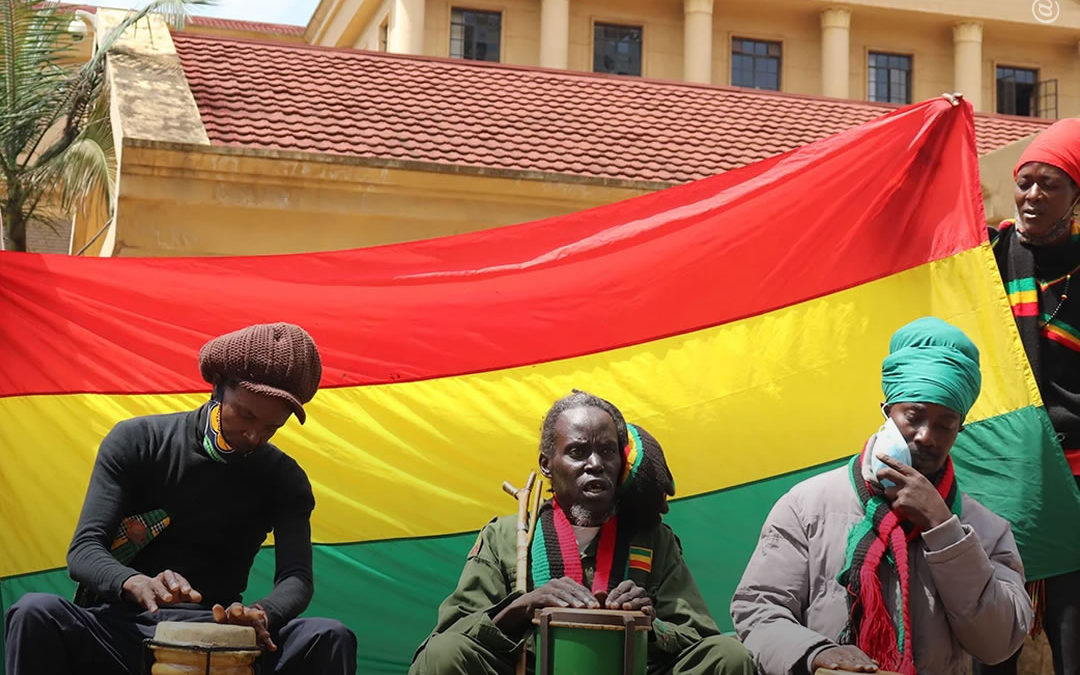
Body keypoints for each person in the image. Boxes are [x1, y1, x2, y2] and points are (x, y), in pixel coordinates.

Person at [4, 322, 357, 674]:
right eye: (246, 415)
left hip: (225, 638)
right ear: (217, 386)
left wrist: (260, 614)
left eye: (271, 427)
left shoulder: (285, 478)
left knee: (329, 636)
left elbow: (296, 578)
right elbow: (83, 551)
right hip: (125, 628)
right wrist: (135, 582)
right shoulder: (137, 440)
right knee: (35, 612)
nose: (254, 434)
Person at [731, 317, 1032, 674]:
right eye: (914, 416)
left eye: (945, 424)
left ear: (960, 428)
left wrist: (943, 528)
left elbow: (997, 643)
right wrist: (815, 653)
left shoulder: (984, 530)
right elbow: (758, 608)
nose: (925, 436)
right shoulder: (807, 506)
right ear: (887, 411)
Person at [409, 391, 753, 675]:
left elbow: (698, 637)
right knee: (443, 655)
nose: (595, 463)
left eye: (607, 451)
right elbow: (452, 633)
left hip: (632, 670)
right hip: (527, 668)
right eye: (577, 451)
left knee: (729, 656)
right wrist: (521, 608)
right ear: (547, 464)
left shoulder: (653, 539)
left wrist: (651, 625)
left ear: (621, 462)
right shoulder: (506, 535)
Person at [978, 117, 1080, 675]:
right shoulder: (988, 256)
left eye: (1051, 183)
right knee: (997, 621)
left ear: (1077, 195)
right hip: (1004, 468)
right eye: (1025, 182)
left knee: (1072, 619)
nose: (1033, 195)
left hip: (1077, 472)